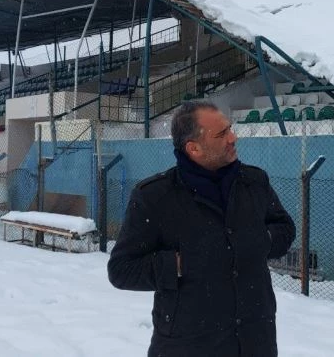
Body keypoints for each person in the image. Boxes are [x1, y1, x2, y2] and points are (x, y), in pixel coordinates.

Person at [107, 101, 296, 357]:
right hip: (188, 344)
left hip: (255, 340)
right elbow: (121, 270)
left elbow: (284, 229)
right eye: (221, 134)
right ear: (193, 148)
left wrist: (259, 241)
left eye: (229, 128)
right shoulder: (154, 196)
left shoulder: (254, 181)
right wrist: (181, 263)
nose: (233, 137)